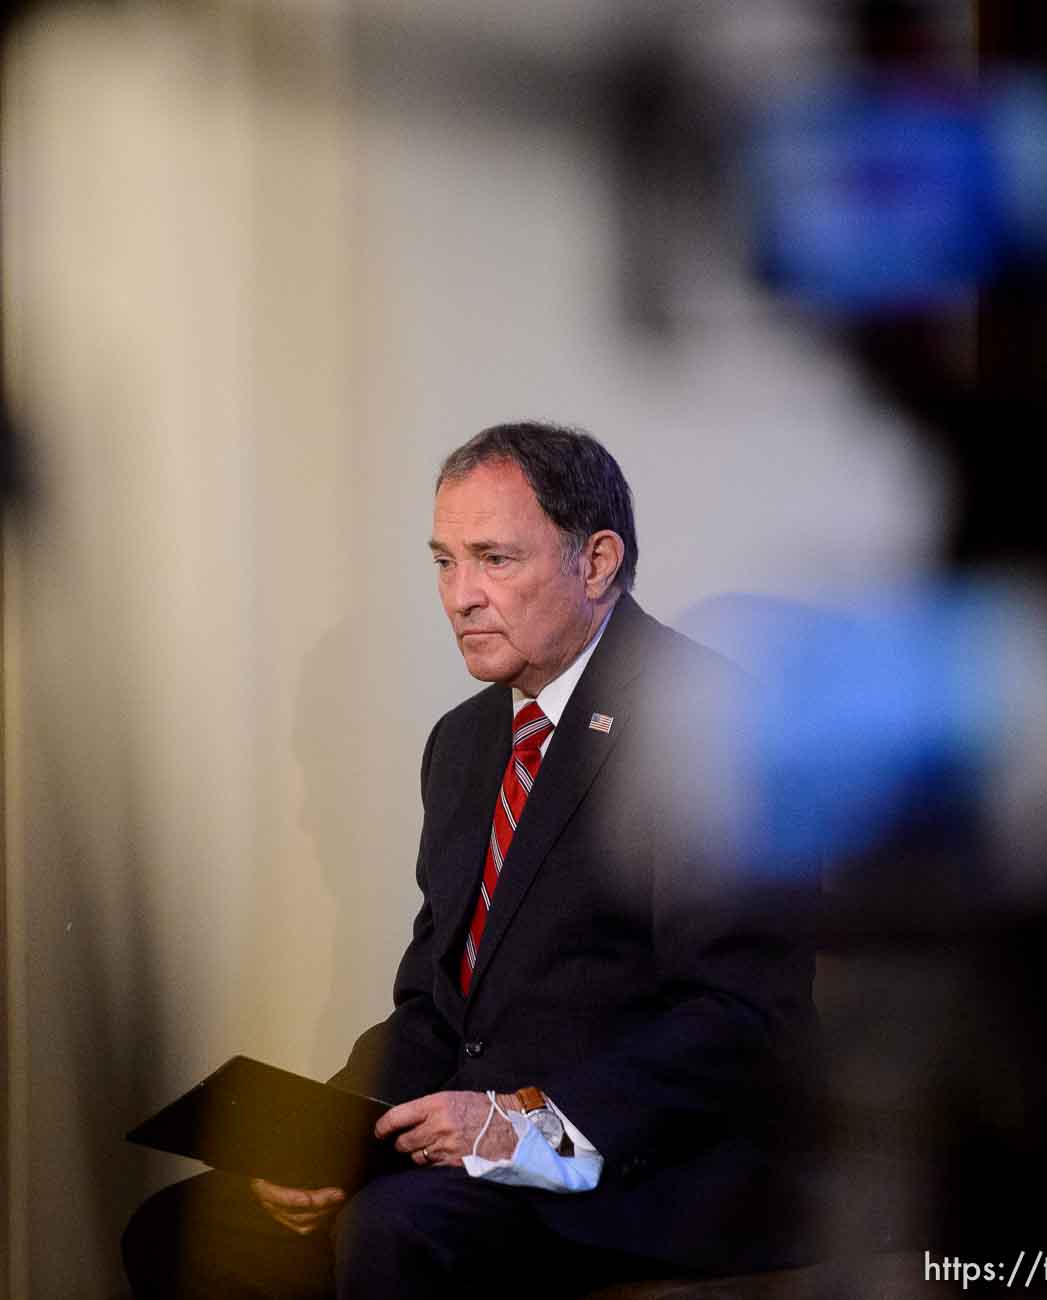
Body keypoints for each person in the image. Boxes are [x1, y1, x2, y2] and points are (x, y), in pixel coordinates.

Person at [123, 423, 818, 1299]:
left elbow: (740, 1018)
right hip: (473, 1148)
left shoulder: (707, 723)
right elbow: (432, 1010)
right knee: (180, 1229)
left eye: (493, 559)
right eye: (444, 563)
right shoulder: (464, 742)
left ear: (595, 563)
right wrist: (321, 1142)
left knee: (395, 1232)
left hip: (638, 1161)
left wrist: (523, 1129)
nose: (460, 596)